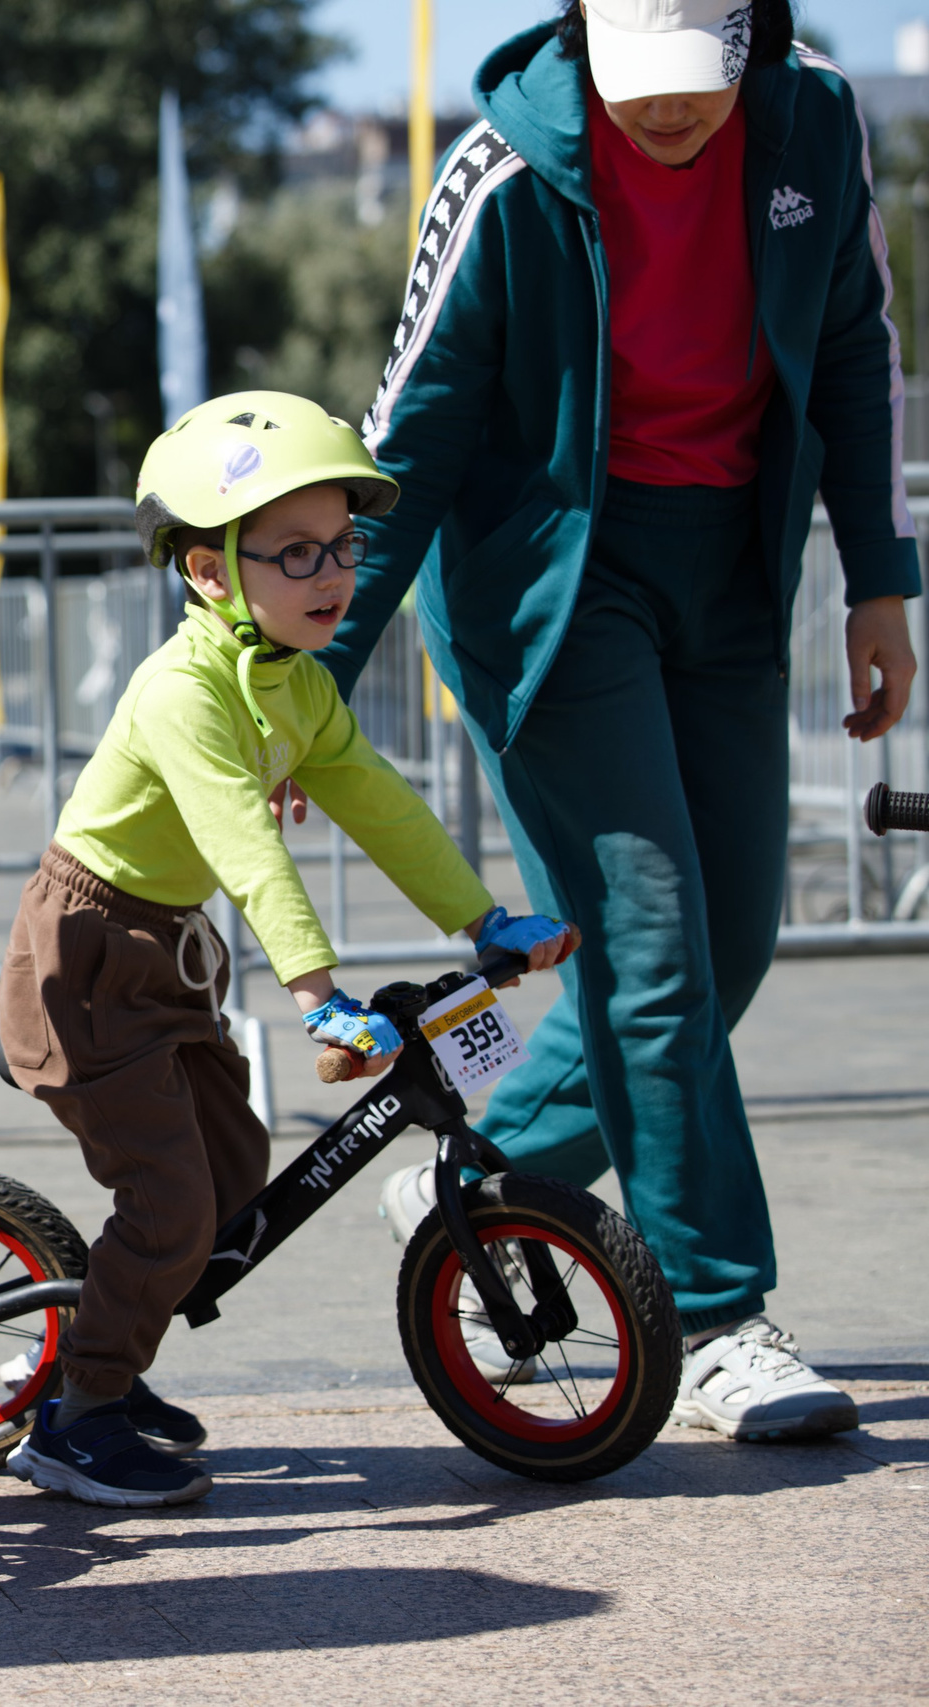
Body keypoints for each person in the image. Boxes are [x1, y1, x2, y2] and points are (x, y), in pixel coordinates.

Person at [322, 0, 915, 1443]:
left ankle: (479, 1181)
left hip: (730, 574)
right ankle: (716, 1319)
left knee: (731, 946)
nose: (665, 109)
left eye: (695, 79)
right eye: (636, 78)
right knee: (653, 949)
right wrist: (310, 671)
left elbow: (853, 346)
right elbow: (411, 434)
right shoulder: (502, 173)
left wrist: (879, 580)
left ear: (751, 33)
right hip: (551, 588)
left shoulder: (819, 123)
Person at [0, 392, 577, 1508]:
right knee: (170, 1202)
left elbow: (381, 804)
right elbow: (243, 842)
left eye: (342, 546)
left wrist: (482, 920)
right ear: (209, 573)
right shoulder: (181, 691)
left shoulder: (296, 682)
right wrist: (318, 994)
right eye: (295, 552)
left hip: (168, 947)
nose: (332, 574)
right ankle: (76, 1416)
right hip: (86, 953)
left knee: (231, 1168)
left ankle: (110, 1349)